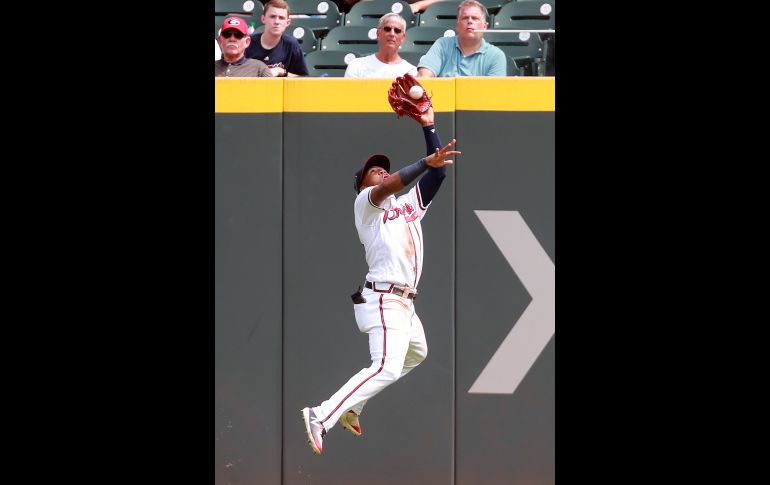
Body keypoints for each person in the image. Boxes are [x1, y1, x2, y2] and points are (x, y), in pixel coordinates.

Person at [301, 101, 460, 456]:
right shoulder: (365, 206)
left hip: (405, 304)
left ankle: (353, 406)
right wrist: (423, 163)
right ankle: (322, 414)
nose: (381, 172)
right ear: (362, 184)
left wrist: (429, 126)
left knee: (417, 353)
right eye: (373, 171)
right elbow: (392, 185)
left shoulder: (406, 207)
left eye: (384, 169)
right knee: (386, 367)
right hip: (384, 297)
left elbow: (437, 175)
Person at [417, 0, 506, 77]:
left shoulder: (496, 55)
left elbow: (494, 89)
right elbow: (424, 77)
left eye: (475, 18)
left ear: (484, 26)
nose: (470, 21)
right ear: (457, 25)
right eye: (465, 18)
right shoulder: (442, 45)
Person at [244, 0, 308, 77]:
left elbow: (304, 78)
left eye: (281, 18)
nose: (277, 21)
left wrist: (281, 71)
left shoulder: (291, 45)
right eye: (272, 16)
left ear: (287, 22)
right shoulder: (248, 43)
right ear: (263, 19)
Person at [344, 13, 417, 78]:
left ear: (403, 37)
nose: (392, 34)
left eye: (397, 31)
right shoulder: (357, 66)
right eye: (387, 29)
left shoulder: (410, 72)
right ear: (378, 34)